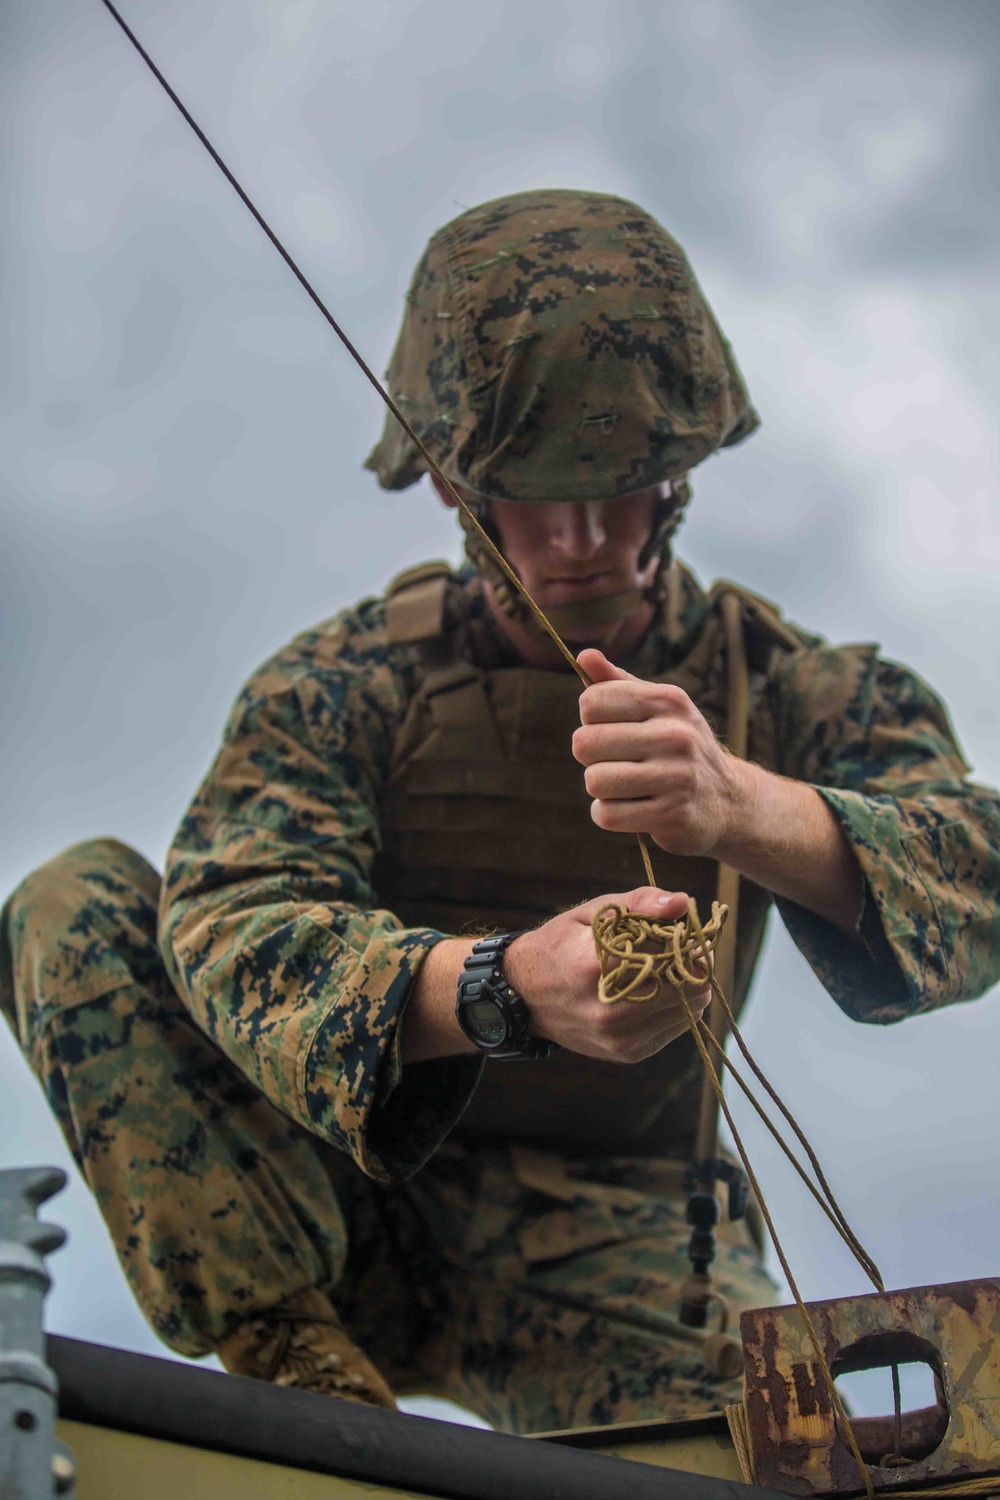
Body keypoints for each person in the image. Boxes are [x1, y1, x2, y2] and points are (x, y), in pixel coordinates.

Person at [3, 189, 998, 1435]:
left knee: (749, 1461)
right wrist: (503, 986)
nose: (580, 538)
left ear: (679, 475)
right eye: (528, 488)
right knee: (75, 902)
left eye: (623, 486)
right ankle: (303, 1389)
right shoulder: (351, 682)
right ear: (448, 482)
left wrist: (745, 805)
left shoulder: (792, 690)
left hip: (622, 1238)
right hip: (328, 1200)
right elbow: (231, 915)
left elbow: (983, 873)